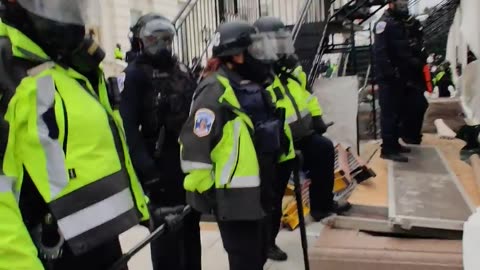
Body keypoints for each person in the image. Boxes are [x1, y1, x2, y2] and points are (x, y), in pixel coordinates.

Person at [0, 0, 150, 269]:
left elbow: (102, 152)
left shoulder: (71, 60)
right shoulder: (6, 65)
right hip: (40, 252)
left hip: (99, 246)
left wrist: (144, 210)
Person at [179, 20, 295, 270]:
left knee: (258, 257)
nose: (261, 56)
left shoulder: (253, 86)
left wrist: (287, 154)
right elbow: (193, 149)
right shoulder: (214, 91)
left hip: (261, 191)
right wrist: (211, 193)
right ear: (236, 55)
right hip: (234, 201)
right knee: (246, 262)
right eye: (255, 49)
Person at [253, 16, 351, 261]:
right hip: (276, 142)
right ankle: (266, 242)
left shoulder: (291, 66)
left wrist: (316, 119)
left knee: (324, 149)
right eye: (274, 42)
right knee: (273, 193)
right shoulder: (257, 73)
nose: (280, 47)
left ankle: (321, 205)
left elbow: (307, 96)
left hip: (301, 133)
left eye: (281, 41)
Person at [119, 14, 201, 270]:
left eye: (167, 40)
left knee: (190, 225)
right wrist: (146, 170)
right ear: (143, 41)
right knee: (166, 230)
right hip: (158, 161)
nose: (163, 46)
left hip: (186, 160)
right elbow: (129, 127)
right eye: (156, 40)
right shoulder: (135, 74)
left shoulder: (181, 68)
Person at [374, 0, 416, 162]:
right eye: (400, 1)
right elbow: (380, 52)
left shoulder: (398, 22)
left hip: (400, 76)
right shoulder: (383, 24)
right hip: (388, 78)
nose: (404, 4)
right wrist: (390, 73)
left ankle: (395, 143)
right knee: (389, 113)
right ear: (390, 4)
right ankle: (387, 148)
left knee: (398, 112)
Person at [401, 15, 429, 144]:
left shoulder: (417, 41)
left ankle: (412, 134)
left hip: (416, 79)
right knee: (416, 106)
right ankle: (409, 135)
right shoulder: (405, 41)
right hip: (409, 80)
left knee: (419, 106)